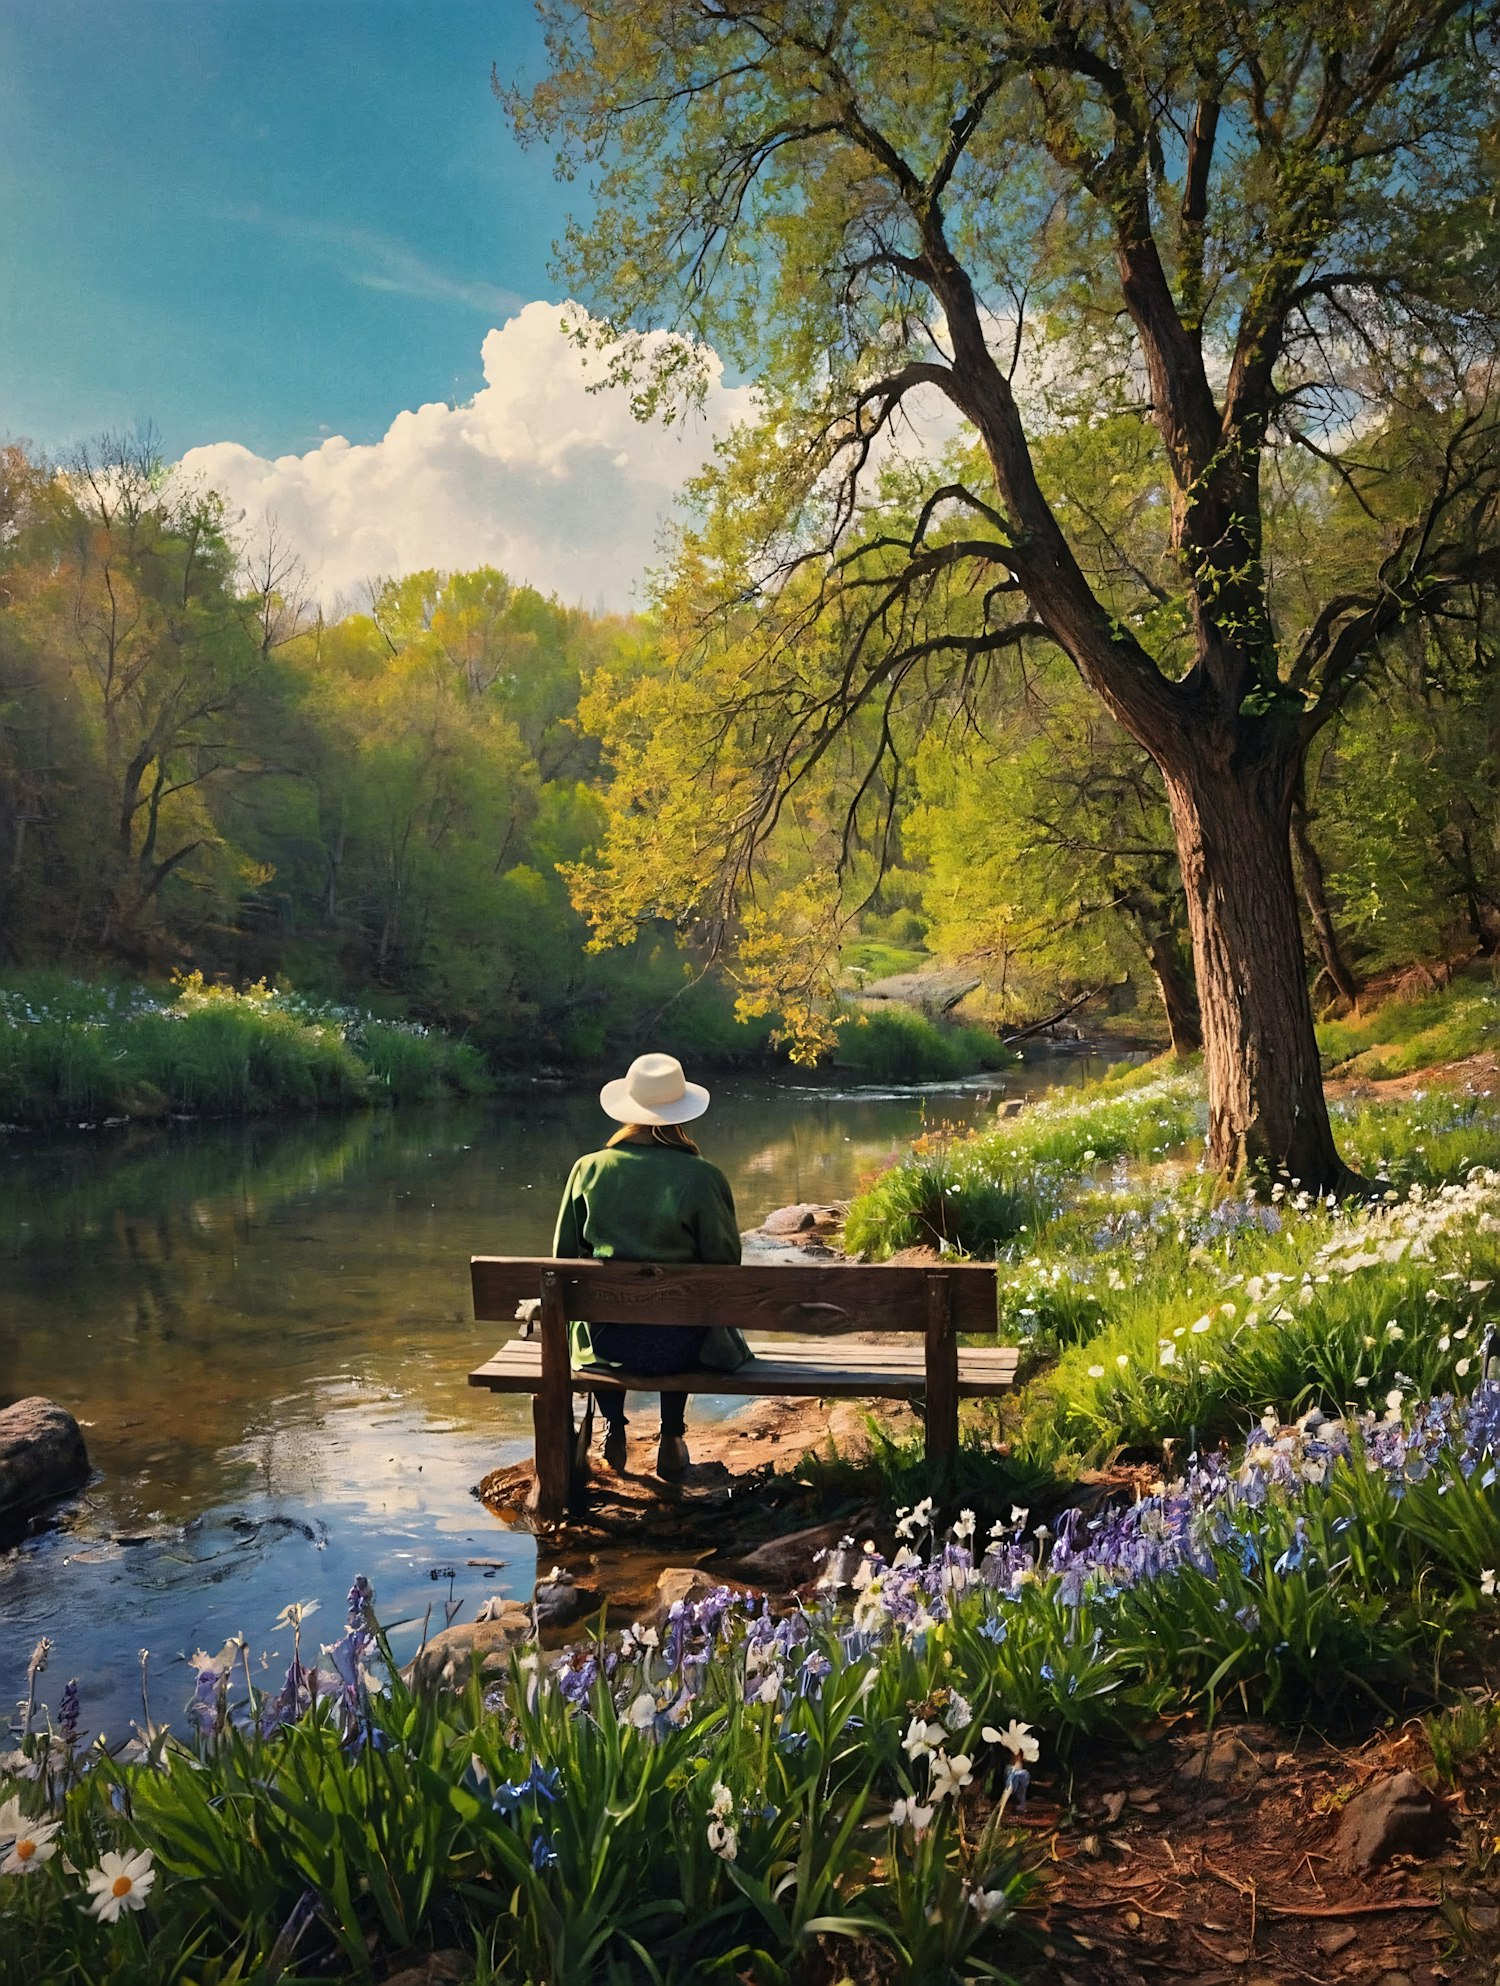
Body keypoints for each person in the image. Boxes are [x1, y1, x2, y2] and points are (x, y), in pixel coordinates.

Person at [551, 1052, 749, 1479]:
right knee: (688, 1312)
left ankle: (613, 1428)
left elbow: (563, 1258)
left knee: (596, 1310)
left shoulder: (588, 1169)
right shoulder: (703, 1176)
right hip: (683, 1345)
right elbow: (725, 1264)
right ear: (681, 1113)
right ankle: (672, 1437)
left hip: (607, 1343)